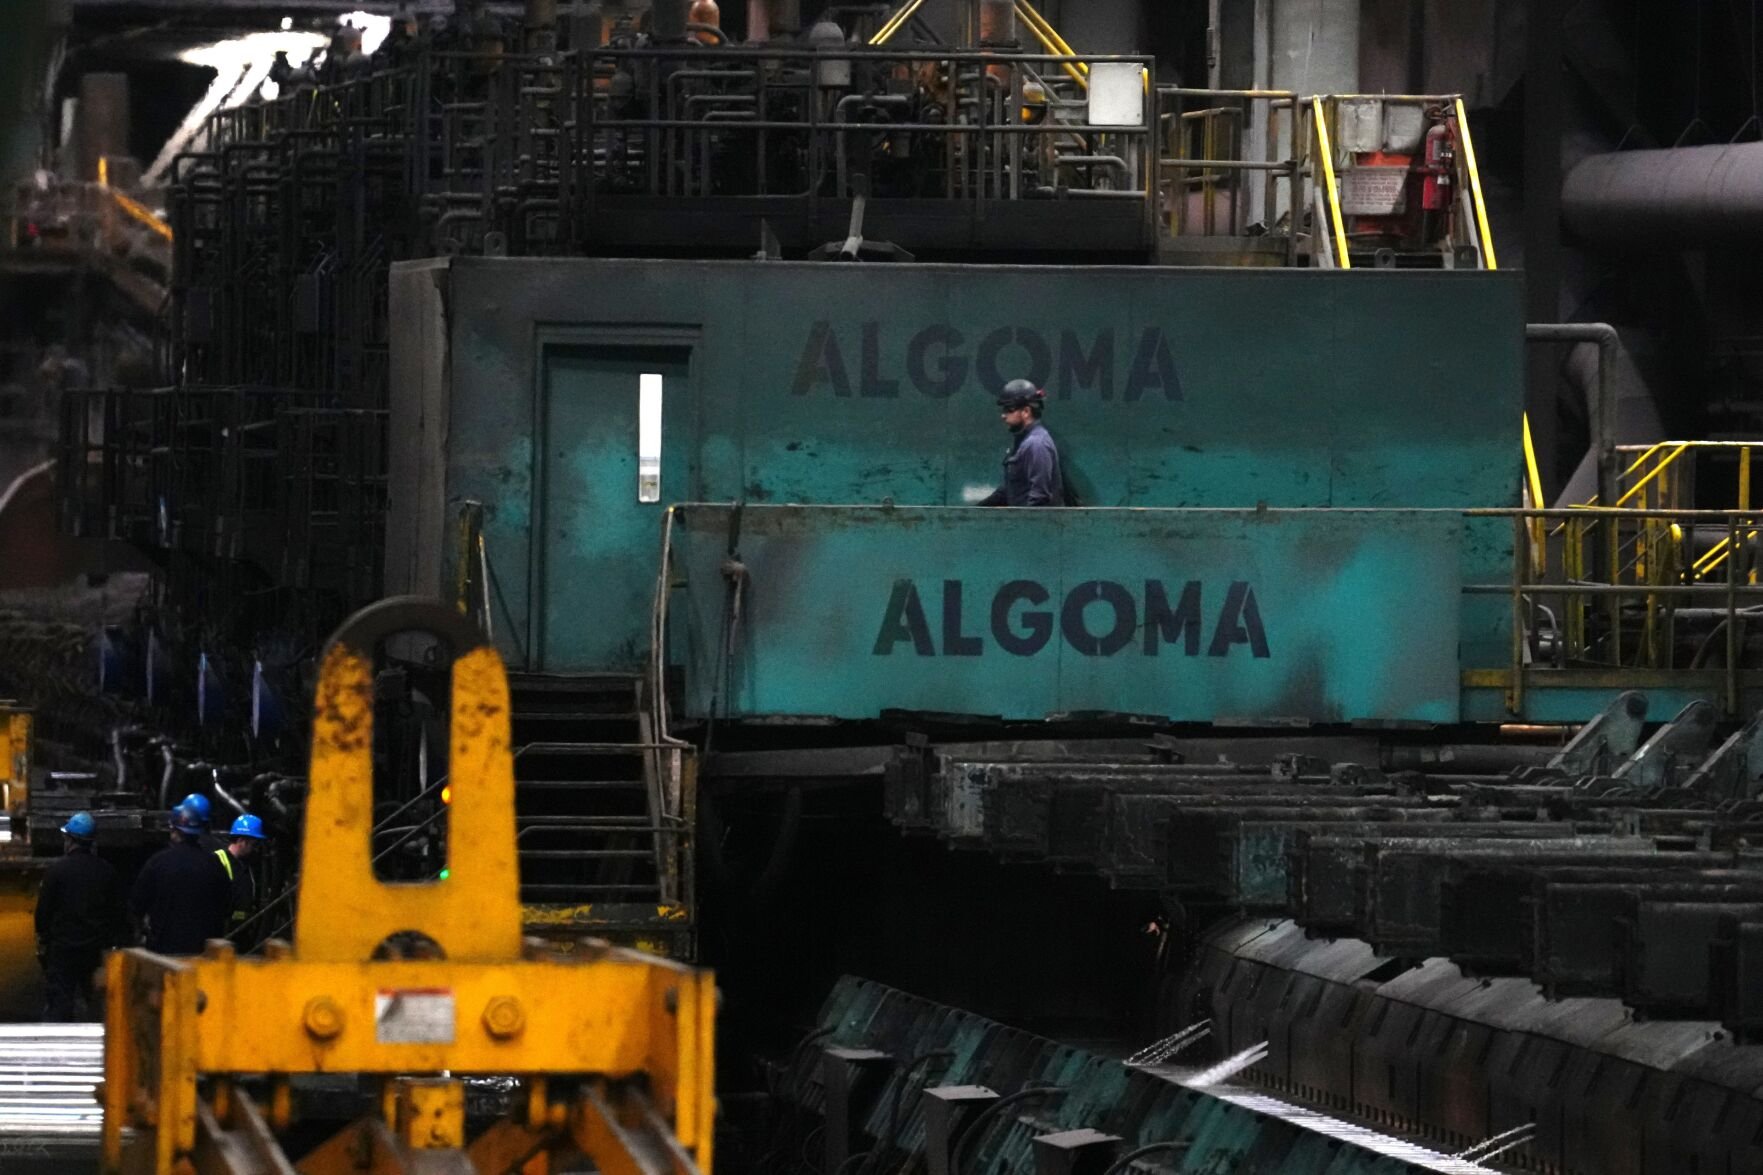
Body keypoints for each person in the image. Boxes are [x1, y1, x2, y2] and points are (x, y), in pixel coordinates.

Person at [34, 812, 120, 1021]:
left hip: (63, 948)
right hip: (94, 947)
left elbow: (44, 912)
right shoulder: (106, 871)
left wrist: (44, 938)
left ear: (70, 840)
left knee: (60, 1002)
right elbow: (116, 911)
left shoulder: (57, 871)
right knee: (97, 1003)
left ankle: (59, 1035)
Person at [130, 794, 232, 956]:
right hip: (204, 955)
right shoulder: (214, 864)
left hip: (164, 955)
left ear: (174, 830)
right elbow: (226, 908)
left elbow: (137, 906)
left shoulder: (158, 862)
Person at [980, 379, 1065, 507]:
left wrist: (1022, 520)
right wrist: (973, 511)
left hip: (1034, 520)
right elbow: (1008, 491)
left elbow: (1039, 498)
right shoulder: (1024, 442)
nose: (1003, 416)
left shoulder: (1036, 444)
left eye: (1009, 409)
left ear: (1026, 412)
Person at [213, 814, 266, 933]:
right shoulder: (217, 860)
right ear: (242, 841)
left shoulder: (248, 864)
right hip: (224, 930)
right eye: (254, 844)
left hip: (243, 929)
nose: (255, 849)